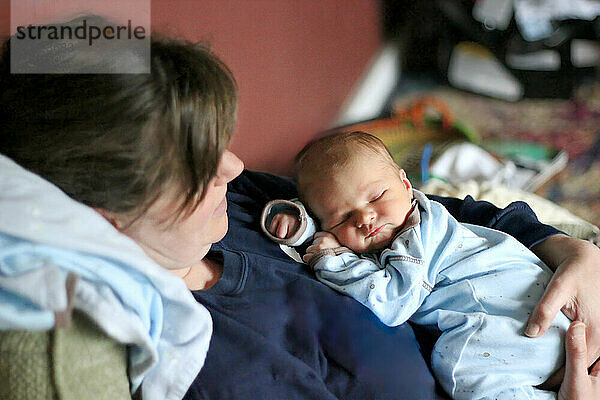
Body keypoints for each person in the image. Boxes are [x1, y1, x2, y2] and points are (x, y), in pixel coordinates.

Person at [1, 15, 599, 400]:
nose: (234, 168)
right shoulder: (213, 365)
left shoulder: (237, 209)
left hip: (527, 312)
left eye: (221, 145)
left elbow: (425, 218)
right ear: (108, 216)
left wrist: (567, 249)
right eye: (201, 167)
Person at [263, 131, 573, 399]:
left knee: (456, 366)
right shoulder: (389, 224)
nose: (364, 218)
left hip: (524, 325)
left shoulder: (416, 239)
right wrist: (299, 227)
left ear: (405, 182)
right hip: (536, 323)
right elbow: (325, 232)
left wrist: (332, 260)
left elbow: (392, 302)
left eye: (377, 196)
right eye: (344, 217)